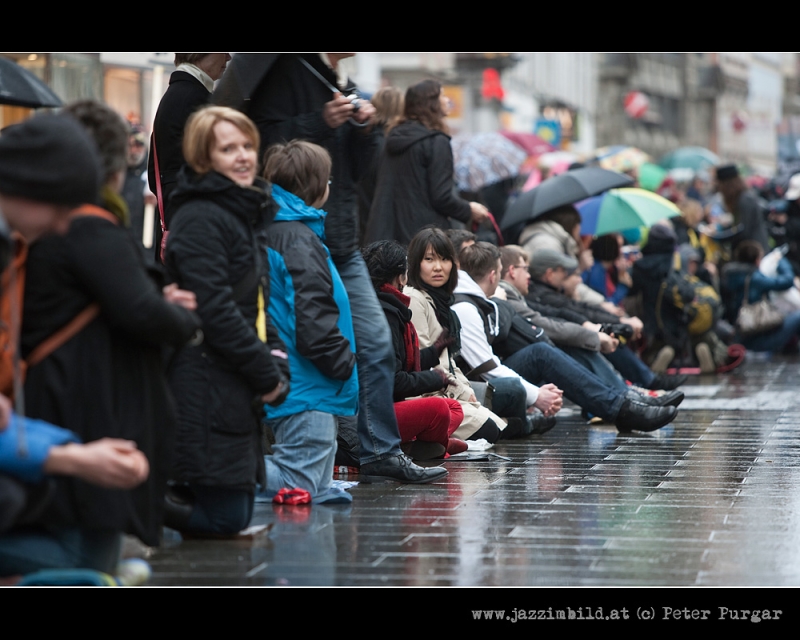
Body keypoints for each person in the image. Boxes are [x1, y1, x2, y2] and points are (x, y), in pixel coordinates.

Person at [0, 112, 200, 576]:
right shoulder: (85, 228)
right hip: (83, 401)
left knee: (85, 549)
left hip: (63, 408)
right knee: (85, 556)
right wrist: (181, 315)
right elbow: (141, 311)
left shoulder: (43, 236)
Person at [240, 53, 443, 483]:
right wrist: (320, 121)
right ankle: (310, 450)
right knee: (308, 335)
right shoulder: (289, 72)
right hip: (297, 234)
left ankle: (377, 450)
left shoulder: (335, 78)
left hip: (341, 237)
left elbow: (352, 172)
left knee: (374, 342)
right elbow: (267, 149)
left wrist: (364, 130)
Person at [164, 106, 289, 535]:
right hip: (207, 379)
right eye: (228, 148)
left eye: (248, 146)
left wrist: (276, 364)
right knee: (226, 516)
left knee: (231, 513)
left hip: (231, 380)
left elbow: (254, 305)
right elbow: (215, 308)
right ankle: (132, 505)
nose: (243, 156)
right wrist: (263, 373)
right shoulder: (202, 216)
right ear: (204, 158)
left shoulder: (240, 212)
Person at [454, 241, 679, 433]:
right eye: (525, 269)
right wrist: (537, 395)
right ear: (496, 274)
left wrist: (593, 329)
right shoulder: (471, 304)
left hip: (484, 376)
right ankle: (622, 406)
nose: (529, 275)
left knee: (560, 347)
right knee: (544, 352)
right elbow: (486, 366)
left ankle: (624, 402)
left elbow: (558, 314)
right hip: (474, 387)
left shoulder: (484, 299)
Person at [260, 140, 360, 502]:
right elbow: (313, 319)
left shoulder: (286, 232)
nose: (330, 187)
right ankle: (206, 472)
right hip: (309, 385)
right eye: (328, 180)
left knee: (312, 487)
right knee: (300, 483)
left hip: (303, 382)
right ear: (316, 186)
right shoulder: (298, 240)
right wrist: (345, 363)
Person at [405, 227, 556, 443]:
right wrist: (462, 393)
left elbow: (447, 359)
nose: (438, 267)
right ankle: (519, 425)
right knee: (493, 427)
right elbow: (426, 360)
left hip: (449, 389)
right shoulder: (417, 300)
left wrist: (465, 391)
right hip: (428, 394)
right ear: (416, 263)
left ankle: (513, 424)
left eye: (444, 259)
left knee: (493, 423)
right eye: (429, 259)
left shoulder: (442, 300)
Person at [363, 239, 466, 459]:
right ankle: (425, 447)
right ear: (401, 276)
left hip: (383, 409)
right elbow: (394, 381)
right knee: (437, 409)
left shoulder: (388, 307)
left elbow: (395, 361)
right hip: (371, 416)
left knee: (454, 408)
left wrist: (433, 352)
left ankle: (424, 446)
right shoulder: (384, 313)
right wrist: (434, 379)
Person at [365, 79, 489, 246]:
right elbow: (441, 196)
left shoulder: (394, 137)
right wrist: (469, 210)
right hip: (425, 240)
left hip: (388, 234)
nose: (447, 100)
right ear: (431, 104)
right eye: (442, 95)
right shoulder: (436, 141)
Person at [148, 53, 231, 262]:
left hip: (178, 228)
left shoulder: (177, 94)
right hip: (194, 236)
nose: (229, 57)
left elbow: (155, 175)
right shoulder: (194, 98)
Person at [721, 240, 800, 353]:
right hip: (757, 337)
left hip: (739, 333)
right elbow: (787, 282)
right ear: (757, 260)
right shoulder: (754, 278)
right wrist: (780, 260)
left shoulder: (730, 276)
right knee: (798, 316)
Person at [713, 163, 770, 254]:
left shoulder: (744, 199)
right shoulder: (742, 197)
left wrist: (719, 237)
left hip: (754, 252)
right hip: (752, 250)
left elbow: (743, 231)